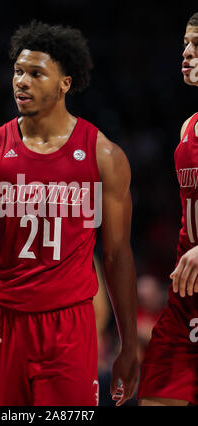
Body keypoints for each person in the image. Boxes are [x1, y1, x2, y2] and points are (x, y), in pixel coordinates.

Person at [0, 20, 138, 406]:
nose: (22, 81)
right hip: (3, 319)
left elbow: (118, 255)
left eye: (36, 74)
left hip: (69, 323)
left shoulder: (104, 156)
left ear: (64, 84)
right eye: (18, 72)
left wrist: (127, 344)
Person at [138, 12, 198, 406]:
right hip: (186, 299)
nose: (187, 54)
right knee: (156, 397)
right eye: (185, 45)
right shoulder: (188, 127)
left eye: (197, 46)